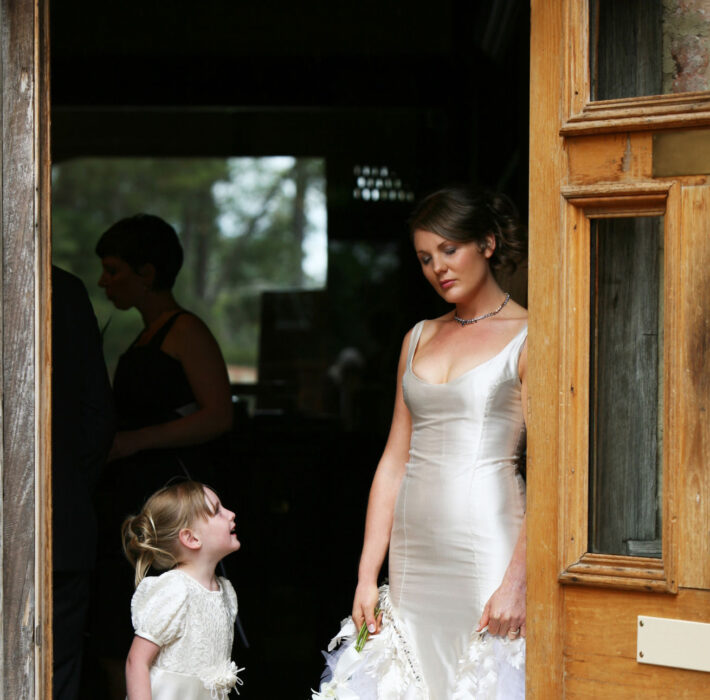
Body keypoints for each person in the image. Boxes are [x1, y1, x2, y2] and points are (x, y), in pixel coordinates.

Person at [315, 186, 528, 699]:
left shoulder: (532, 335)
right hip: (413, 558)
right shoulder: (418, 337)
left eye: (449, 250)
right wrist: (368, 575)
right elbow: (393, 460)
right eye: (425, 258)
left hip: (489, 544)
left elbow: (553, 472)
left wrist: (518, 580)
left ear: (488, 244)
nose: (438, 268)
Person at [92, 214, 234, 695]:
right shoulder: (145, 333)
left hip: (171, 490)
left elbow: (219, 415)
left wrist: (135, 441)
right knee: (117, 621)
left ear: (147, 272)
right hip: (133, 492)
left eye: (113, 270)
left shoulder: (186, 329)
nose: (103, 281)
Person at [52, 265, 115, 700]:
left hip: (62, 515)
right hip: (62, 515)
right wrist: (67, 485)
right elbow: (99, 419)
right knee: (56, 668)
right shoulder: (65, 291)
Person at [122, 480, 244, 699]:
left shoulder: (225, 590)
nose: (231, 514)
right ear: (191, 538)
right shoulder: (175, 590)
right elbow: (137, 660)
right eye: (217, 511)